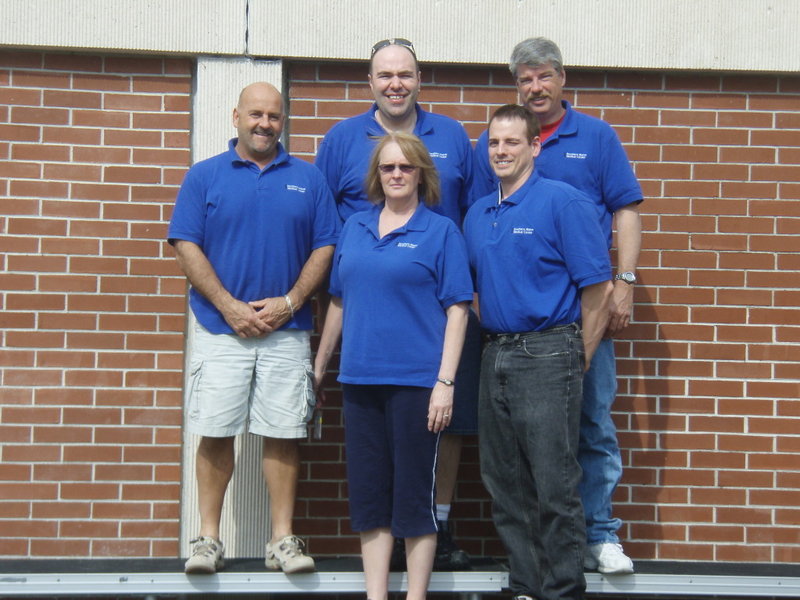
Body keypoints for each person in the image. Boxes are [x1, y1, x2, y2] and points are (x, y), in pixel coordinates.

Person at [473, 37, 643, 575]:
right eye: (525, 79)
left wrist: (625, 282)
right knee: (527, 457)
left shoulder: (594, 136)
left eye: (543, 76)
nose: (535, 87)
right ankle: (534, 570)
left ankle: (599, 533)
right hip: (521, 330)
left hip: (581, 309)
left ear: (562, 78)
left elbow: (627, 210)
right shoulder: (501, 145)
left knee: (592, 424)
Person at [315, 37, 477, 570]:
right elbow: (322, 232)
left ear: (419, 79)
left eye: (404, 74)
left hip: (432, 326)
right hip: (368, 336)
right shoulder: (341, 139)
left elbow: (474, 212)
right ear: (370, 83)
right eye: (385, 75)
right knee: (376, 469)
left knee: (442, 430)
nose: (395, 84)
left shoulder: (453, 135)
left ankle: (441, 526)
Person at [168, 82, 340, 575]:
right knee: (216, 430)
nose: (264, 123)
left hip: (287, 333)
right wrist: (228, 307)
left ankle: (282, 540)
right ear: (235, 115)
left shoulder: (308, 179)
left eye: (274, 115)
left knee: (283, 432)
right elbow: (186, 245)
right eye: (255, 114)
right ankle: (207, 539)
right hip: (221, 332)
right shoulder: (204, 177)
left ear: (283, 120)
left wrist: (290, 303)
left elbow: (324, 246)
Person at [464, 104, 613, 600]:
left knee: (553, 481)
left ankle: (564, 589)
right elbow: (476, 289)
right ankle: (526, 585)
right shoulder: (478, 213)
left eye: (512, 142)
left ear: (535, 146)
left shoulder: (562, 202)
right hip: (495, 353)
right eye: (494, 143)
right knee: (504, 481)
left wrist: (579, 356)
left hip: (550, 352)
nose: (501, 151)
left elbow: (597, 291)